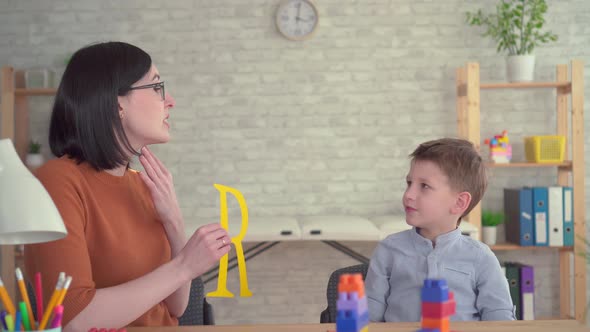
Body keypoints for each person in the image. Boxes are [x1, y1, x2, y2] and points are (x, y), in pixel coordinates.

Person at [24, 41, 232, 331]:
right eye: (157, 87)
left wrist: (174, 221)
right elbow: (74, 320)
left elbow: (176, 306)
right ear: (117, 104)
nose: (170, 100)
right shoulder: (56, 182)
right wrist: (184, 264)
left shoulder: (143, 183)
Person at [365, 138, 515, 322]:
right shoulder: (389, 250)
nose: (408, 195)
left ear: (459, 203)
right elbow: (368, 318)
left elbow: (500, 320)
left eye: (424, 186)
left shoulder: (481, 257)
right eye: (409, 183)